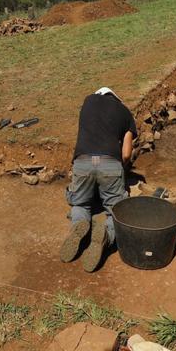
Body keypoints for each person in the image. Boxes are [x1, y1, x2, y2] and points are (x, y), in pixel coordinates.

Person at [61, 87, 137, 272]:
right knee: (116, 211)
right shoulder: (125, 112)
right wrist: (122, 169)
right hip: (110, 164)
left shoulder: (88, 102)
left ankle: (79, 225)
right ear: (116, 99)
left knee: (80, 204)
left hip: (83, 161)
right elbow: (126, 154)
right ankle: (105, 235)